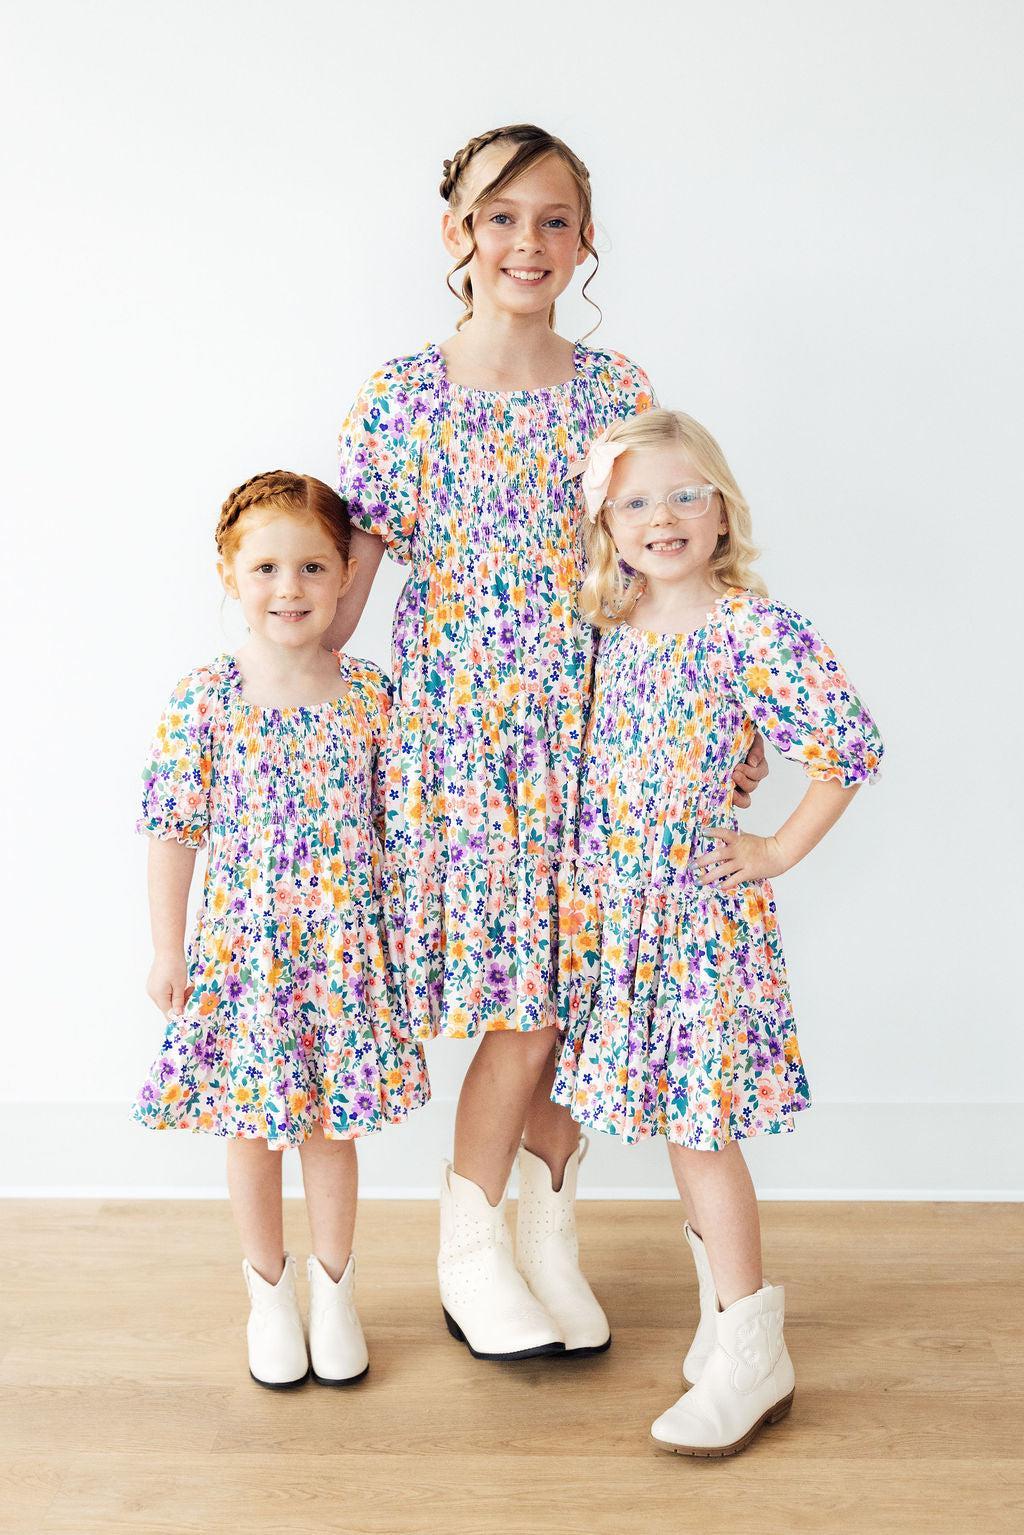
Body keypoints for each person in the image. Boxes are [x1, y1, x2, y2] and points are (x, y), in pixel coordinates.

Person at [330, 124, 767, 1361]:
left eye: (555, 219)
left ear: (583, 241)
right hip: (467, 740)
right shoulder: (404, 396)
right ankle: (470, 1247)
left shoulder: (613, 390)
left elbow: (663, 569)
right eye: (501, 215)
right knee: (519, 1002)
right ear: (458, 231)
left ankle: (545, 1230)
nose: (528, 241)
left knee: (582, 995)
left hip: (606, 727)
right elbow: (344, 598)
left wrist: (721, 716)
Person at [554, 409, 883, 1454]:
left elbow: (847, 747)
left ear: (723, 510)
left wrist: (776, 847)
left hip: (699, 923)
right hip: (624, 922)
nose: (663, 516)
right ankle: (722, 1319)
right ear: (607, 523)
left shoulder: (754, 630)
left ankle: (752, 1347)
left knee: (702, 1131)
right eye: (636, 501)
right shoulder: (607, 628)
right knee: (676, 1124)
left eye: (685, 494)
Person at [133, 471, 429, 1388]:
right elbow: (174, 830)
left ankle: (335, 1294)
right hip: (246, 960)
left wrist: (408, 947)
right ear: (230, 574)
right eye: (265, 567)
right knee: (253, 1131)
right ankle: (269, 1295)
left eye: (311, 566)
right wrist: (168, 947)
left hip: (344, 956)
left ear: (346, 575)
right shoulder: (207, 698)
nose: (289, 587)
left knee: (332, 1132)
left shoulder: (372, 696)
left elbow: (404, 831)